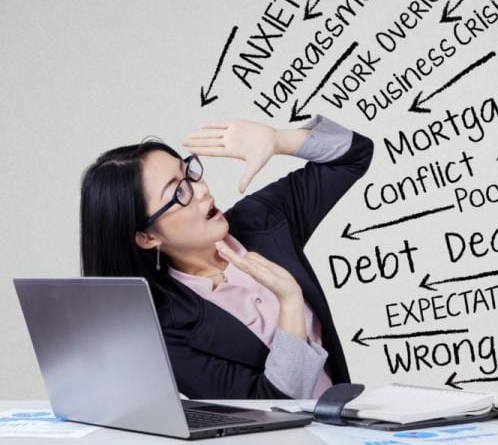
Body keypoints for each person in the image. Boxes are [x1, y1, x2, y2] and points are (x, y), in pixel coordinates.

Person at [79, 114, 374, 399]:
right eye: (179, 192)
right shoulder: (166, 330)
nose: (202, 189)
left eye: (189, 172)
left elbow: (355, 155)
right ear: (148, 237)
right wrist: (290, 300)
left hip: (347, 424)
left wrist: (277, 139)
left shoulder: (260, 219)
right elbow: (272, 407)